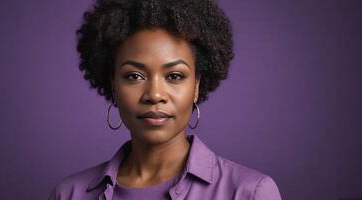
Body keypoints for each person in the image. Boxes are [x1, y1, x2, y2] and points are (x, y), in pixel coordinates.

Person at [49, 0, 282, 199]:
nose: (155, 95)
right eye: (134, 76)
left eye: (174, 76)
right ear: (113, 85)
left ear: (196, 86)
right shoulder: (70, 193)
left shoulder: (248, 193)